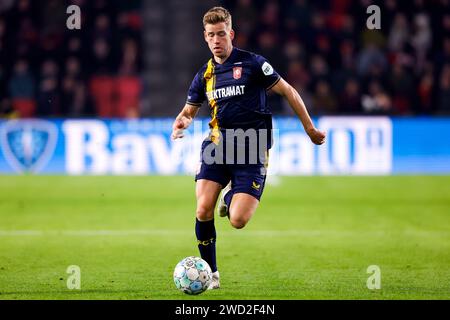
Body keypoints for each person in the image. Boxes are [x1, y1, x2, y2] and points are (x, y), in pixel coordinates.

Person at [171, 7, 326, 290]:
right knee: (203, 208)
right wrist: (180, 122)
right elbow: (189, 111)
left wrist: (310, 129)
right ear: (205, 38)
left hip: (253, 149)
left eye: (221, 34)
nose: (216, 40)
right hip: (216, 147)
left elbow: (289, 91)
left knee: (238, 221)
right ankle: (212, 274)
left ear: (230, 34)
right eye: (210, 35)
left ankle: (230, 199)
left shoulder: (253, 64)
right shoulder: (204, 74)